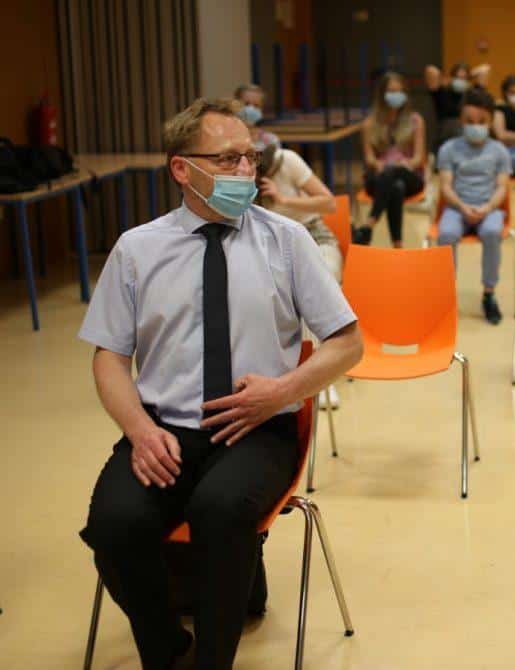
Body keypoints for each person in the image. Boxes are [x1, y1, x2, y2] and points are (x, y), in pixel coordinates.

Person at [77, 98, 363, 670]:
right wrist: (139, 430)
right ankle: (168, 651)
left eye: (250, 158)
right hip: (163, 429)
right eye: (228, 159)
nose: (246, 171)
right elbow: (109, 358)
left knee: (221, 509)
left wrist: (282, 392)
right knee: (113, 526)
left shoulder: (286, 240)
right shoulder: (138, 249)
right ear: (182, 168)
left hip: (257, 428)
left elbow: (347, 343)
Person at [254, 133, 346, 408]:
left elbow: (328, 203)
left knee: (311, 289)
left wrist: (283, 200)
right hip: (270, 245)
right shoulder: (239, 177)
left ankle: (319, 381)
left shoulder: (288, 160)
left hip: (314, 236)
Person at [437, 88, 513, 325]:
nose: (475, 126)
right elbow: (445, 186)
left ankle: (489, 294)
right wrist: (462, 207)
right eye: (469, 121)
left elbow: (502, 187)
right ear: (461, 120)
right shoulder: (448, 149)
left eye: (481, 121)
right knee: (446, 234)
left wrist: (487, 207)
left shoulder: (499, 151)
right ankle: (445, 297)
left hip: (489, 208)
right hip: (456, 207)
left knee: (491, 232)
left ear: (490, 122)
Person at [354, 71, 426, 247]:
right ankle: (398, 245)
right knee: (396, 186)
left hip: (409, 175)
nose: (396, 95)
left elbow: (418, 158)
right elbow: (369, 159)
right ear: (382, 94)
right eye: (392, 91)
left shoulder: (416, 120)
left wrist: (405, 164)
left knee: (395, 173)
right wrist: (378, 164)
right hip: (379, 179)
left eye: (400, 91)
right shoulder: (369, 123)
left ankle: (368, 225)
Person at [425, 62, 470, 148]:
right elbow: (430, 70)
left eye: (464, 78)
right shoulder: (441, 91)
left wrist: (471, 78)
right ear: (452, 77)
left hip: (463, 136)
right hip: (444, 135)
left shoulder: (468, 94)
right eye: (457, 78)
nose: (460, 81)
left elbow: (485, 69)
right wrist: (443, 79)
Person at [232, 84, 279, 150]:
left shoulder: (271, 140)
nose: (250, 109)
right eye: (246, 104)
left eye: (256, 105)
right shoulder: (227, 138)